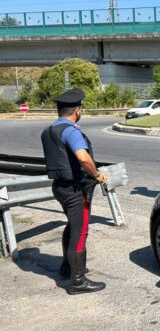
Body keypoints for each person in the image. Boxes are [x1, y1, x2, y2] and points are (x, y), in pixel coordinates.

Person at [40, 88, 108, 295]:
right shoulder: (71, 130)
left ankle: (67, 267)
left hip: (60, 187)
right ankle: (78, 281)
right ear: (77, 111)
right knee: (80, 231)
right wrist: (96, 175)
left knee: (72, 226)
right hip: (75, 189)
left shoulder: (49, 130)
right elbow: (83, 158)